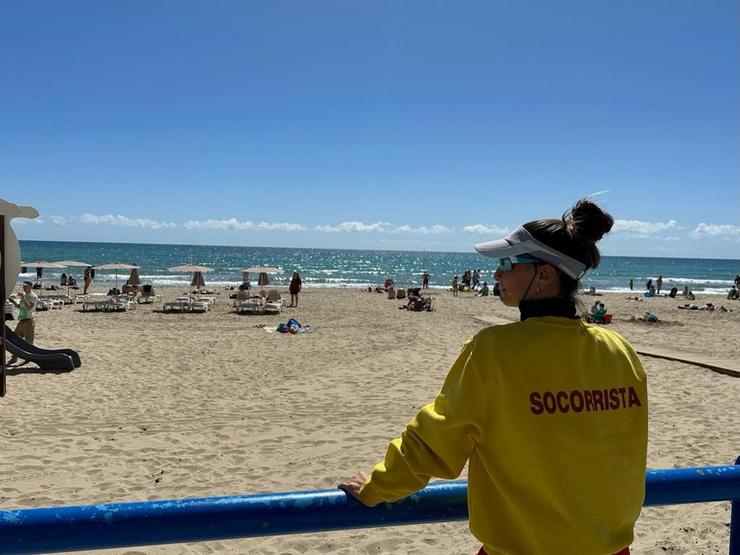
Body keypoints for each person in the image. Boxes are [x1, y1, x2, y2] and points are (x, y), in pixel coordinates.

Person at [339, 198, 646, 555]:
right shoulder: (620, 350)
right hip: (610, 548)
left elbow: (435, 441)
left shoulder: (495, 350)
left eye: (506, 263)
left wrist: (376, 486)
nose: (496, 274)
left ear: (545, 274)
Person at [7, 281, 39, 365]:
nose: (24, 287)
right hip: (21, 321)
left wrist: (23, 297)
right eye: (23, 286)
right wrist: (13, 301)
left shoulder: (33, 296)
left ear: (30, 287)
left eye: (26, 286)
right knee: (15, 339)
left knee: (28, 341)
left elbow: (29, 308)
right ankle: (14, 357)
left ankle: (28, 358)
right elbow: (20, 307)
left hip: (29, 321)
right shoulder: (24, 296)